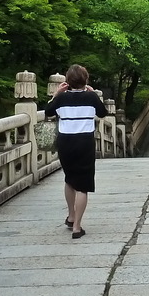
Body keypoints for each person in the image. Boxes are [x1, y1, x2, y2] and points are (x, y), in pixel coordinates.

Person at [44, 64, 107, 239]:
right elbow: (102, 113)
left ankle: (71, 216)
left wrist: (56, 94)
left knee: (70, 179)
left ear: (68, 81)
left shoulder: (61, 99)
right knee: (83, 185)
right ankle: (77, 227)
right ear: (85, 80)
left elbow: (48, 111)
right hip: (84, 143)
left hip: (66, 143)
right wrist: (93, 94)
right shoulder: (91, 97)